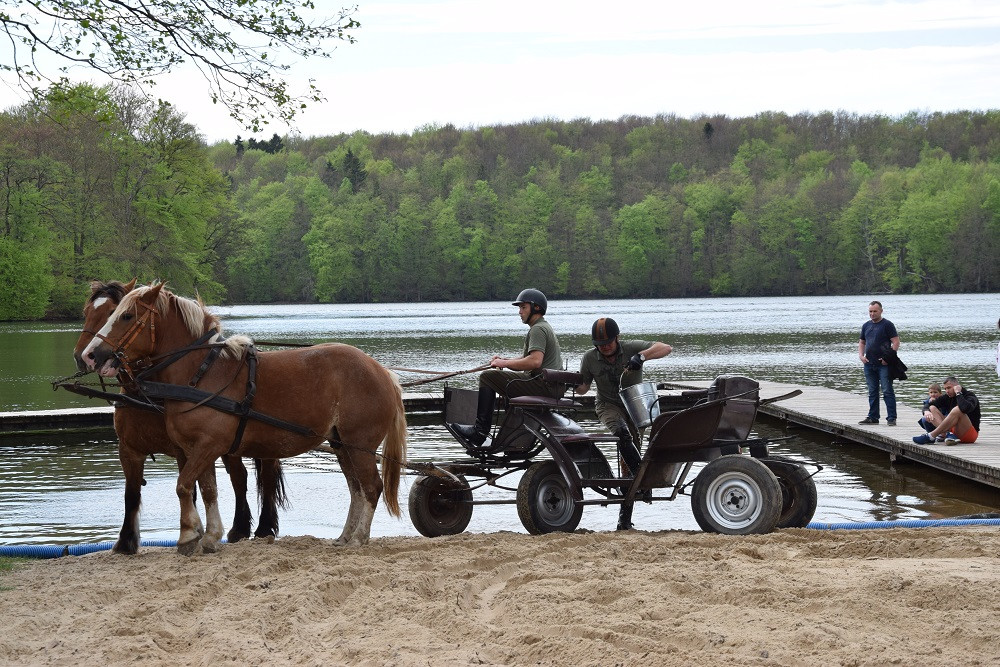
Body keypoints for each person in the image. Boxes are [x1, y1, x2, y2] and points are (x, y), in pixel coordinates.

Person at [574, 317, 672, 530]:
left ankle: (624, 521)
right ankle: (643, 478)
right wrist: (569, 384)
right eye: (600, 344)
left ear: (617, 338)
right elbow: (583, 387)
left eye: (608, 342)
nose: (605, 347)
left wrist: (642, 356)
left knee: (629, 462)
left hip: (634, 406)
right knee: (621, 433)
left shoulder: (631, 348)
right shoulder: (589, 359)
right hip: (608, 405)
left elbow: (666, 348)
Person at [453, 288, 564, 446]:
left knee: (487, 377)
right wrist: (504, 360)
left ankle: (480, 431)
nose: (520, 312)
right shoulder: (542, 327)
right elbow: (528, 358)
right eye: (519, 308)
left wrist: (503, 364)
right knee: (495, 379)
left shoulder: (538, 329)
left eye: (523, 307)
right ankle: (509, 435)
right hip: (548, 385)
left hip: (543, 385)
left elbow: (534, 362)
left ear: (536, 308)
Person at [858, 300, 900, 426]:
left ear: (881, 311)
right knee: (872, 391)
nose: (872, 314)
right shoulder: (866, 325)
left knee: (887, 390)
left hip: (884, 364)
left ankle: (891, 418)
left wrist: (888, 358)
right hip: (869, 363)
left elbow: (896, 342)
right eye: (870, 311)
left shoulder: (887, 325)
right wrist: (861, 355)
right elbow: (862, 342)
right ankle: (873, 417)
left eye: (875, 311)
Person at [912, 376, 981, 446]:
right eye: (945, 389)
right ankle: (948, 434)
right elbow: (929, 404)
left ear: (957, 386)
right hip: (953, 432)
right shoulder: (947, 397)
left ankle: (931, 436)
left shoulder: (970, 396)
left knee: (957, 409)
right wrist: (926, 411)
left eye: (949, 388)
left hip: (969, 435)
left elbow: (964, 408)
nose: (947, 391)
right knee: (932, 408)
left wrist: (958, 393)